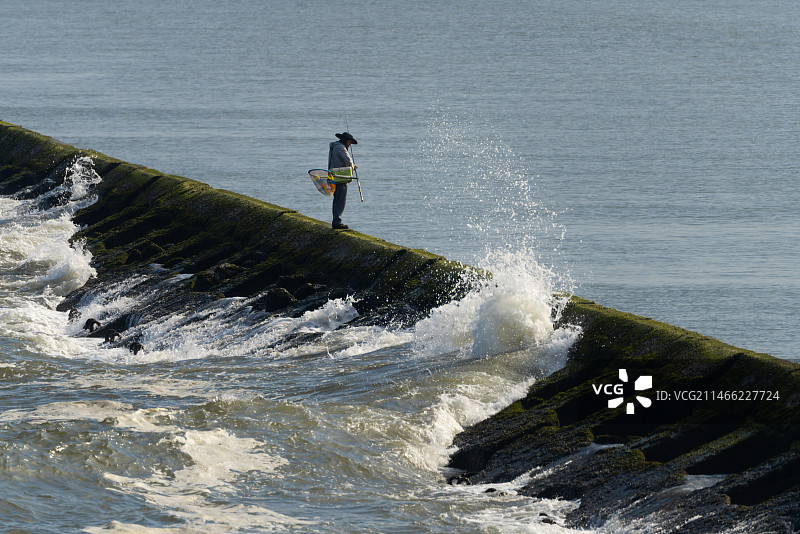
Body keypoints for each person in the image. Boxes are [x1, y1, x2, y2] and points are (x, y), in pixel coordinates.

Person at [328, 132, 358, 229]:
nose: (349, 145)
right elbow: (348, 160)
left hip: (334, 175)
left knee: (337, 199)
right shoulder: (340, 147)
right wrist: (353, 166)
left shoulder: (334, 146)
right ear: (346, 141)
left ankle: (336, 221)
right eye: (349, 142)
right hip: (340, 177)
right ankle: (337, 222)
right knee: (340, 200)